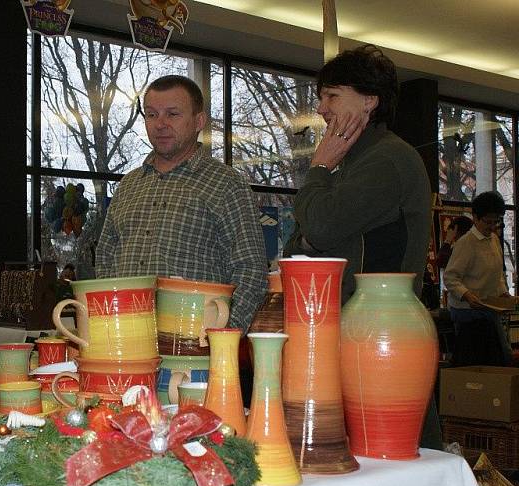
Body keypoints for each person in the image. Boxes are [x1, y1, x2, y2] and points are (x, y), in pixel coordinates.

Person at [95, 75, 267, 331]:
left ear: (199, 121)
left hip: (195, 345)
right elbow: (105, 257)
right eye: (151, 115)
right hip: (127, 339)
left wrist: (224, 337)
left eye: (172, 114)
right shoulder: (128, 185)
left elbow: (250, 269)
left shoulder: (226, 184)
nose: (160, 124)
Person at [284, 44, 431, 303]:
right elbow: (294, 247)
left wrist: (319, 166)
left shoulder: (388, 159)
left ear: (369, 100)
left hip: (382, 324)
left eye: (332, 96)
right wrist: (310, 238)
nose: (321, 108)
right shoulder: (351, 164)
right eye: (321, 97)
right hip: (356, 320)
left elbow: (318, 229)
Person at [444, 191, 514, 366]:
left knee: (502, 358)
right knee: (476, 360)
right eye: (487, 221)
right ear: (475, 218)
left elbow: (497, 274)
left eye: (495, 221)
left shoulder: (494, 240)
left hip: (489, 308)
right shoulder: (466, 243)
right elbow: (451, 277)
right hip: (467, 311)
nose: (492, 226)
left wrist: (503, 293)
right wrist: (467, 295)